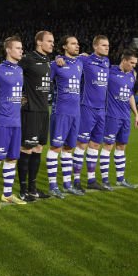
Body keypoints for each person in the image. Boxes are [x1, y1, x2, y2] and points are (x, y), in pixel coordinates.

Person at [0, 36, 27, 207]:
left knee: (12, 158)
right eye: (17, 48)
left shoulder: (20, 70)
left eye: (21, 48)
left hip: (16, 121)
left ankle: (7, 194)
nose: (21, 51)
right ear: (8, 50)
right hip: (1, 120)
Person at [18, 31, 55, 202]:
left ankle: (33, 188)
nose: (52, 44)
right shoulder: (27, 59)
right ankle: (23, 189)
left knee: (39, 148)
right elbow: (12, 73)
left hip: (43, 111)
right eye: (49, 41)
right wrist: (20, 95)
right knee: (26, 148)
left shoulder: (48, 60)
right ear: (39, 42)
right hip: (30, 111)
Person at [46, 35, 84, 198]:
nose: (77, 46)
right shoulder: (56, 64)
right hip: (60, 111)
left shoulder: (81, 62)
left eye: (77, 43)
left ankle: (67, 184)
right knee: (56, 147)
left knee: (69, 148)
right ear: (64, 47)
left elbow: (93, 58)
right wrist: (57, 58)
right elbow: (44, 81)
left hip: (76, 113)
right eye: (73, 44)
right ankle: (53, 185)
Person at [72, 35, 110, 191]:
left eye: (108, 45)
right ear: (95, 47)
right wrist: (60, 58)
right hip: (87, 107)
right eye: (103, 45)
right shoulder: (85, 60)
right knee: (82, 144)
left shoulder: (107, 62)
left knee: (95, 144)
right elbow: (69, 59)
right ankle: (75, 180)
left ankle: (91, 180)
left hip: (102, 110)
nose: (107, 47)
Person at [102, 49, 138, 189]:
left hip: (125, 117)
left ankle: (120, 179)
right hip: (111, 116)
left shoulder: (132, 74)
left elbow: (130, 94)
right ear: (124, 60)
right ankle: (105, 180)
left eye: (135, 63)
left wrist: (136, 114)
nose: (133, 65)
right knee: (108, 147)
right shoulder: (109, 70)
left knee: (121, 147)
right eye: (131, 63)